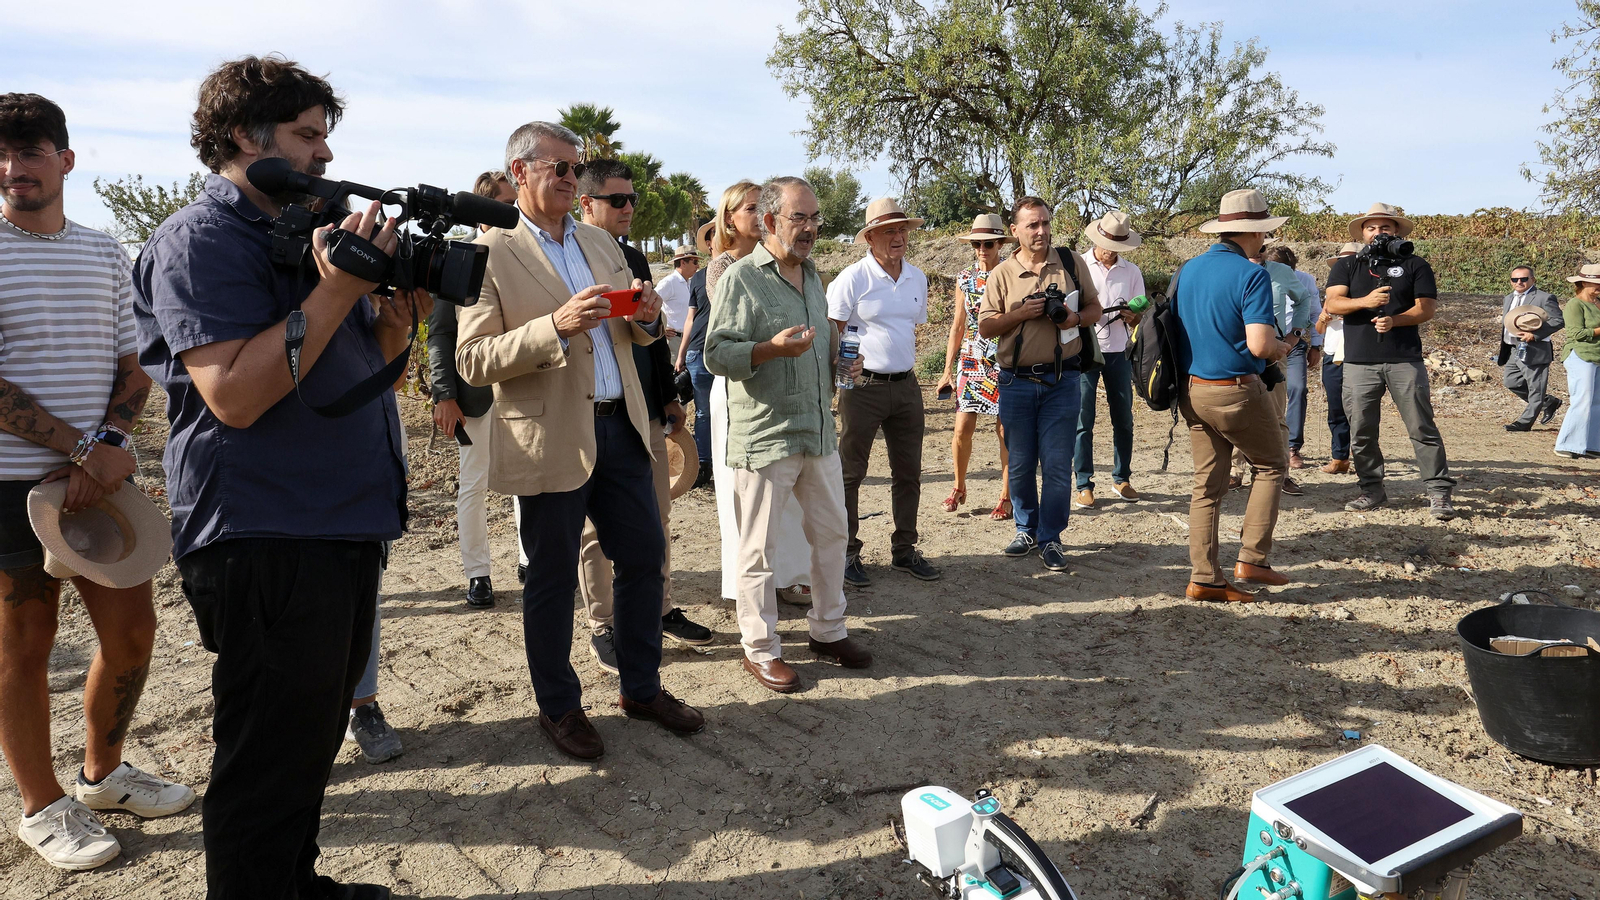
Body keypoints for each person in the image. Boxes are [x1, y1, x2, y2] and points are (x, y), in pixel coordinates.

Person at [134, 56, 421, 899]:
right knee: (265, 752)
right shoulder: (201, 238)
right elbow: (234, 393)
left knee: (311, 731)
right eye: (306, 137)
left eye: (326, 136)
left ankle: (292, 883)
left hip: (338, 519)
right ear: (243, 139)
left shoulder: (308, 234)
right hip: (264, 528)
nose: (324, 156)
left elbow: (359, 372)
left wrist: (393, 316)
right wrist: (339, 290)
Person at [455, 121, 703, 761]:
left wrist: (648, 320)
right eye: (555, 166)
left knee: (645, 558)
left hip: (621, 427)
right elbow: (474, 360)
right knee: (552, 579)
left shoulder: (600, 241)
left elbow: (634, 333)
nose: (568, 176)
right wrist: (554, 327)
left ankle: (641, 689)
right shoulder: (489, 252)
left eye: (573, 167)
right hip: (550, 438)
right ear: (519, 174)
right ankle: (559, 708)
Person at [0, 92, 193, 873]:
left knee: (132, 636)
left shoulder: (107, 252)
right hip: (11, 486)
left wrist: (109, 442)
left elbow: (135, 366)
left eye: (33, 152)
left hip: (102, 478)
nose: (16, 169)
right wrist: (82, 447)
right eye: (5, 156)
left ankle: (104, 774)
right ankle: (42, 806)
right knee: (23, 647)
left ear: (67, 160)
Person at [704, 176, 871, 693]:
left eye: (815, 218)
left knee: (832, 535)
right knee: (759, 551)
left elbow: (822, 345)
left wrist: (844, 365)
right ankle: (759, 649)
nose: (811, 228)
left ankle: (827, 630)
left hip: (816, 430)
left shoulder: (816, 278)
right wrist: (769, 350)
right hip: (765, 435)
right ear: (769, 221)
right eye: (800, 218)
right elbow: (716, 353)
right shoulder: (740, 279)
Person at [574, 158, 709, 672]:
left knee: (656, 516)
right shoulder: (564, 259)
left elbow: (648, 337)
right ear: (587, 203)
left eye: (632, 199)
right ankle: (603, 624)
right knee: (595, 530)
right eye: (617, 199)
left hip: (643, 410)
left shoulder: (632, 257)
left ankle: (658, 608)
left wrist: (668, 398)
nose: (629, 207)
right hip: (589, 413)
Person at [1171, 189, 1296, 603]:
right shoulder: (1252, 274)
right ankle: (1253, 559)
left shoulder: (1188, 269)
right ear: (1255, 233)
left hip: (1192, 391)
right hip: (1236, 391)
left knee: (1206, 487)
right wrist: (1282, 347)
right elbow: (1260, 346)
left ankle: (1204, 577)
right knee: (1272, 464)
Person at [976, 196, 1102, 571]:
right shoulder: (1001, 273)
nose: (1041, 231)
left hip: (1063, 380)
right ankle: (1026, 528)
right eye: (1032, 225)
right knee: (1020, 463)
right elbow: (985, 326)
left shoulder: (1070, 262)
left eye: (1045, 223)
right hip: (1015, 382)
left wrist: (1074, 318)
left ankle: (1051, 537)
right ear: (1014, 231)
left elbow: (1094, 309)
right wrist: (1020, 313)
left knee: (1058, 464)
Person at [705, 181, 813, 606]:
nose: (755, 214)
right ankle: (745, 579)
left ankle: (789, 573)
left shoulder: (796, 266)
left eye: (759, 206)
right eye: (747, 208)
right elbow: (734, 329)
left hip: (787, 384)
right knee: (744, 489)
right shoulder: (724, 269)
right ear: (730, 218)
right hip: (740, 385)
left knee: (788, 489)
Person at [828, 197, 939, 586]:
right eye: (889, 230)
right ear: (870, 237)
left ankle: (905, 551)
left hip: (907, 386)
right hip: (863, 388)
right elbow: (832, 329)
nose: (899, 237)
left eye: (902, 229)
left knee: (908, 473)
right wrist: (842, 371)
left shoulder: (917, 277)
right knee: (850, 473)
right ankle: (845, 553)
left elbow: (910, 327)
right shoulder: (853, 278)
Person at [1325, 203, 1456, 520]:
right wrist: (1365, 302)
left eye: (1385, 228)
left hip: (1404, 360)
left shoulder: (1415, 264)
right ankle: (1372, 490)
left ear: (1396, 231)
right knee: (1361, 431)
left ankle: (1438, 493)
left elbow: (1426, 309)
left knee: (1421, 427)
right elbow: (1333, 302)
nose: (1378, 233)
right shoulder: (1348, 266)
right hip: (1358, 363)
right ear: (1363, 233)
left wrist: (1395, 321)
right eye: (1371, 228)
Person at [429, 170, 516, 609]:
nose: (513, 212)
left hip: (524, 391)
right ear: (485, 211)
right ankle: (478, 573)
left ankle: (529, 559)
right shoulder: (457, 258)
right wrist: (443, 394)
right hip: (475, 396)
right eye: (504, 205)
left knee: (530, 480)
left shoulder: (527, 255)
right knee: (474, 485)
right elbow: (439, 334)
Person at [934, 214, 1012, 520]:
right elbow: (957, 324)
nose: (982, 248)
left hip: (1003, 357)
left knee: (1005, 430)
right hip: (970, 357)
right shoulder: (964, 278)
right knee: (962, 429)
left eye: (988, 243)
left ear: (1000, 244)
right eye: (977, 243)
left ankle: (1006, 495)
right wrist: (946, 369)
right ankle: (958, 486)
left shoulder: (1010, 273)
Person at [1074, 210, 1145, 509]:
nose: (1110, 251)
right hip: (1085, 351)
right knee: (1082, 420)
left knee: (1124, 419)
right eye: (1107, 244)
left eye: (1116, 246)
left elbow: (1140, 313)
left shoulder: (1132, 272)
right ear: (1096, 238)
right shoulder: (1078, 266)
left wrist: (1132, 317)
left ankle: (1121, 478)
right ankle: (1083, 483)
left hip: (1118, 351)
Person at [1230, 246, 1311, 496]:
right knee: (1236, 412)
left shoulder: (1282, 272)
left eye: (1262, 246)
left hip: (1273, 350)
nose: (1257, 251)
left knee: (1276, 414)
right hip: (1236, 350)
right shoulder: (1230, 269)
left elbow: (1304, 299)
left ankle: (1281, 473)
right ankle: (1235, 472)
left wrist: (1296, 333)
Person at [1264, 246, 1324, 470]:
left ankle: (1292, 448)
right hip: (1266, 344)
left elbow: (1314, 311)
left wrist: (1316, 344)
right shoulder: (1258, 276)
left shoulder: (1304, 280)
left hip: (1294, 345)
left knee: (1297, 390)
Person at [675, 221, 717, 485]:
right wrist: (681, 355)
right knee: (704, 412)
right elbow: (690, 318)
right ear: (710, 244)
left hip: (725, 352)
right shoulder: (699, 278)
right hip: (698, 353)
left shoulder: (743, 271)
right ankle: (704, 465)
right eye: (715, 237)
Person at [1498, 265, 1565, 432]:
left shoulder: (1544, 297)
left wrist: (1535, 335)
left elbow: (1558, 321)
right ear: (1511, 281)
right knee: (1511, 381)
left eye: (1524, 279)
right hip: (1514, 348)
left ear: (1533, 280)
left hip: (1535, 348)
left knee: (1536, 387)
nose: (1519, 282)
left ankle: (1525, 422)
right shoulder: (1508, 298)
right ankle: (1548, 402)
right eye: (1515, 279)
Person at [1315, 243, 1361, 475]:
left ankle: (1362, 458)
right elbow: (1319, 329)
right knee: (1336, 409)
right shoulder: (1332, 296)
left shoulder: (1366, 294)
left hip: (1359, 355)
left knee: (1362, 411)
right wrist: (1324, 318)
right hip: (1333, 355)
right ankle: (1339, 457)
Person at [1556, 265, 1600, 459]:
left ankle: (1590, 445)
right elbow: (1576, 334)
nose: (1599, 287)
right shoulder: (1575, 304)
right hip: (1580, 356)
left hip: (1597, 357)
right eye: (1596, 283)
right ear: (1583, 283)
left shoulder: (1598, 303)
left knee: (1597, 403)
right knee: (1582, 400)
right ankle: (1566, 444)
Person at [656, 243, 699, 358]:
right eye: (694, 262)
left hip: (689, 340)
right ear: (683, 263)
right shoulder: (669, 283)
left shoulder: (689, 283)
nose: (698, 266)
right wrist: (661, 327)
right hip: (675, 340)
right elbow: (650, 304)